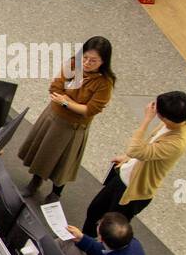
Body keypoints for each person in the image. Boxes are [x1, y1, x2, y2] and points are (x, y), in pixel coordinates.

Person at [82, 91, 186, 237]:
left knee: (109, 230)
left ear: (167, 117)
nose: (153, 109)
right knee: (94, 210)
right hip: (123, 176)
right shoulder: (169, 124)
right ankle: (82, 241)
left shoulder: (177, 143)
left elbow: (136, 150)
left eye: (157, 109)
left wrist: (146, 120)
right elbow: (147, 149)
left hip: (134, 191)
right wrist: (127, 158)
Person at [18, 37, 116, 199]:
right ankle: (35, 183)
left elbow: (90, 109)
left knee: (64, 163)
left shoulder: (105, 83)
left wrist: (66, 102)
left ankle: (56, 193)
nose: (87, 63)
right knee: (44, 153)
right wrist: (70, 103)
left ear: (103, 62)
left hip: (73, 127)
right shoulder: (72, 65)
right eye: (85, 58)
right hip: (54, 119)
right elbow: (55, 88)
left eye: (93, 60)